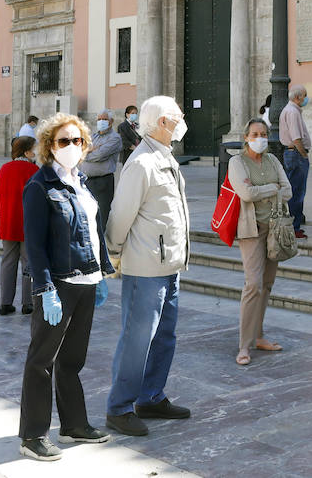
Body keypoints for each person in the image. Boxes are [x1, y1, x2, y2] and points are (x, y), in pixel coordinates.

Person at [16, 113, 113, 461]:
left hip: (86, 281)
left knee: (72, 360)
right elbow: (35, 244)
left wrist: (102, 273)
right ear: (48, 147)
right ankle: (32, 435)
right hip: (58, 284)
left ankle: (74, 425)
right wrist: (44, 289)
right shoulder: (39, 186)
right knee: (42, 360)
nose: (71, 147)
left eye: (77, 141)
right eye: (63, 141)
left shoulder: (82, 183)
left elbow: (94, 230)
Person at [104, 95, 192, 437]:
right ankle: (119, 407)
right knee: (137, 339)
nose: (182, 119)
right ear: (160, 123)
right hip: (145, 269)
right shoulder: (141, 163)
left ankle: (150, 396)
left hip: (169, 266)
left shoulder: (165, 158)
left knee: (164, 336)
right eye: (176, 116)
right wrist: (112, 252)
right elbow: (121, 213)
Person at [228, 118, 292, 366]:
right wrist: (272, 188)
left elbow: (288, 191)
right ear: (246, 137)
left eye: (263, 133)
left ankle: (259, 335)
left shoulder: (273, 160)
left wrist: (265, 189)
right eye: (255, 134)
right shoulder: (237, 162)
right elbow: (246, 193)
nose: (260, 138)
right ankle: (244, 345)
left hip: (275, 228)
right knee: (253, 284)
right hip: (251, 230)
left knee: (267, 283)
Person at [0, 136, 39, 316]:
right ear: (27, 151)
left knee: (7, 261)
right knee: (28, 262)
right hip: (28, 223)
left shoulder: (5, 168)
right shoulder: (34, 169)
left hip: (8, 221)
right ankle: (27, 303)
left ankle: (5, 303)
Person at [82, 109, 122, 238]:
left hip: (103, 182)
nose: (101, 121)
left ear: (111, 122)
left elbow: (100, 155)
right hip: (86, 181)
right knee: (88, 215)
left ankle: (102, 247)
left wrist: (88, 152)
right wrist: (87, 150)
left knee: (102, 216)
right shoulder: (93, 136)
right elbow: (80, 150)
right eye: (99, 119)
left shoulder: (114, 138)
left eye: (104, 119)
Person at [278, 85, 311, 239]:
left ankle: (295, 224)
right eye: (305, 95)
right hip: (296, 154)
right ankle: (293, 227)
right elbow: (296, 137)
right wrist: (303, 154)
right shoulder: (292, 112)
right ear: (298, 97)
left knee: (296, 190)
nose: (306, 98)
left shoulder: (292, 111)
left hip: (294, 153)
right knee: (297, 192)